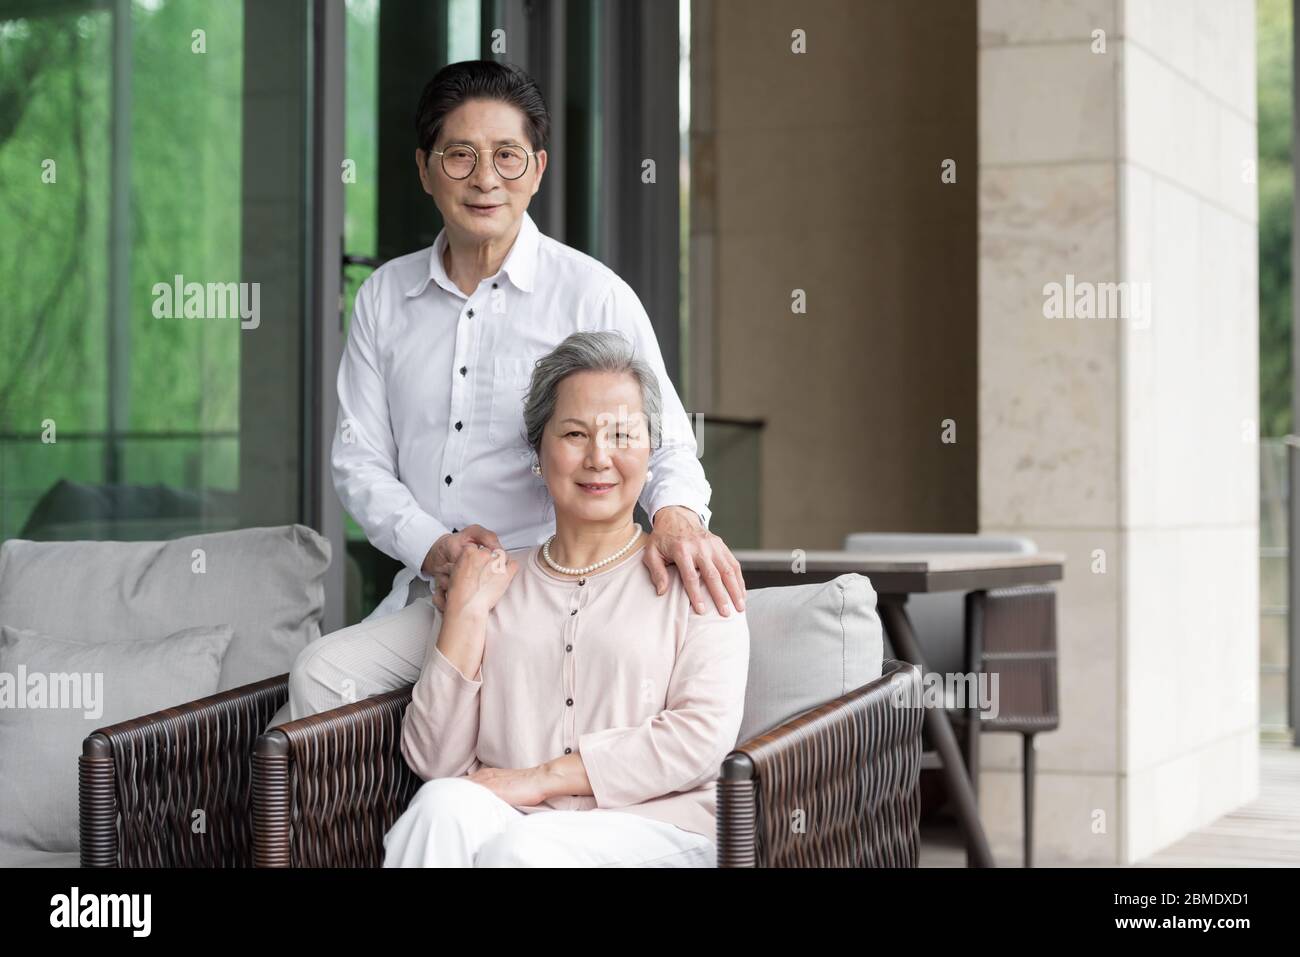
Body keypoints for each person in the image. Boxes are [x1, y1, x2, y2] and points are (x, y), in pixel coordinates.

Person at [287, 60, 745, 720]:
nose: (484, 179)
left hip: (552, 590)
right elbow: (358, 461)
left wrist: (675, 513)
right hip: (429, 592)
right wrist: (432, 546)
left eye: (506, 155)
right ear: (424, 169)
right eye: (460, 156)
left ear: (536, 168)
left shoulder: (593, 296)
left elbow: (666, 440)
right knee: (320, 684)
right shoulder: (385, 297)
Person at [382, 330, 749, 867]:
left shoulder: (695, 575)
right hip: (519, 824)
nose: (599, 458)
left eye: (622, 435)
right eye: (575, 433)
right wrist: (464, 612)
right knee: (440, 805)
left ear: (651, 452)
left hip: (660, 829)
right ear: (539, 451)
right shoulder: (496, 583)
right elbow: (435, 761)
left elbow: (697, 739)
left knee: (523, 850)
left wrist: (540, 779)